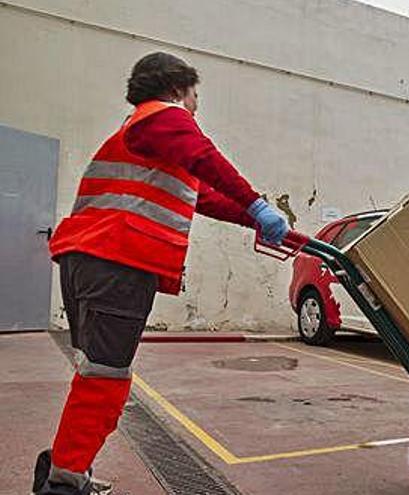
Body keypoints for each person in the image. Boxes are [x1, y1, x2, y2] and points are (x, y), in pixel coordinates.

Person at [31, 52, 291, 495]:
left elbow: (204, 196)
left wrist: (259, 220)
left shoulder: (151, 140)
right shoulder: (161, 117)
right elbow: (205, 158)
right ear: (175, 89)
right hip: (117, 259)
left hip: (90, 258)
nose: (196, 106)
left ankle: (64, 467)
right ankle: (65, 480)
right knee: (106, 378)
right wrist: (257, 204)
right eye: (194, 95)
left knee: (96, 371)